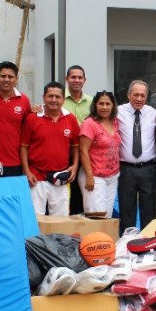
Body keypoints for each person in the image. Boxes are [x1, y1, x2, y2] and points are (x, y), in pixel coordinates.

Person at [20, 81, 80, 216]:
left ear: (63, 99)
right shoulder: (32, 118)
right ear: (44, 97)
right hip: (36, 177)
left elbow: (75, 146)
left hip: (61, 177)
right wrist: (27, 171)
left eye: (57, 97)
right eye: (50, 96)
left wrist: (75, 166)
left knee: (61, 220)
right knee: (35, 219)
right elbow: (24, 147)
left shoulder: (71, 119)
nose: (54, 100)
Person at [118, 80, 156, 231]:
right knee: (126, 208)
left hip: (148, 168)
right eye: (136, 95)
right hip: (126, 169)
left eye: (143, 95)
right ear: (129, 95)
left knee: (148, 209)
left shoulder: (153, 113)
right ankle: (127, 240)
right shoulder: (117, 112)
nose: (139, 98)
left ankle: (148, 239)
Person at [78, 91, 122, 218]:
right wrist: (89, 176)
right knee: (96, 216)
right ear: (95, 105)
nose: (104, 107)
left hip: (112, 177)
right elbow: (83, 150)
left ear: (113, 106)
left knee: (107, 216)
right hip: (94, 176)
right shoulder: (90, 123)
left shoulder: (115, 122)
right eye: (101, 104)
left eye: (108, 104)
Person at [64, 65, 92, 215]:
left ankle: (79, 223)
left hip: (86, 154)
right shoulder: (58, 99)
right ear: (67, 79)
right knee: (61, 194)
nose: (76, 80)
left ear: (84, 80)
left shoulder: (92, 102)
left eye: (80, 77)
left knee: (81, 193)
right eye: (73, 77)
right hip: (63, 154)